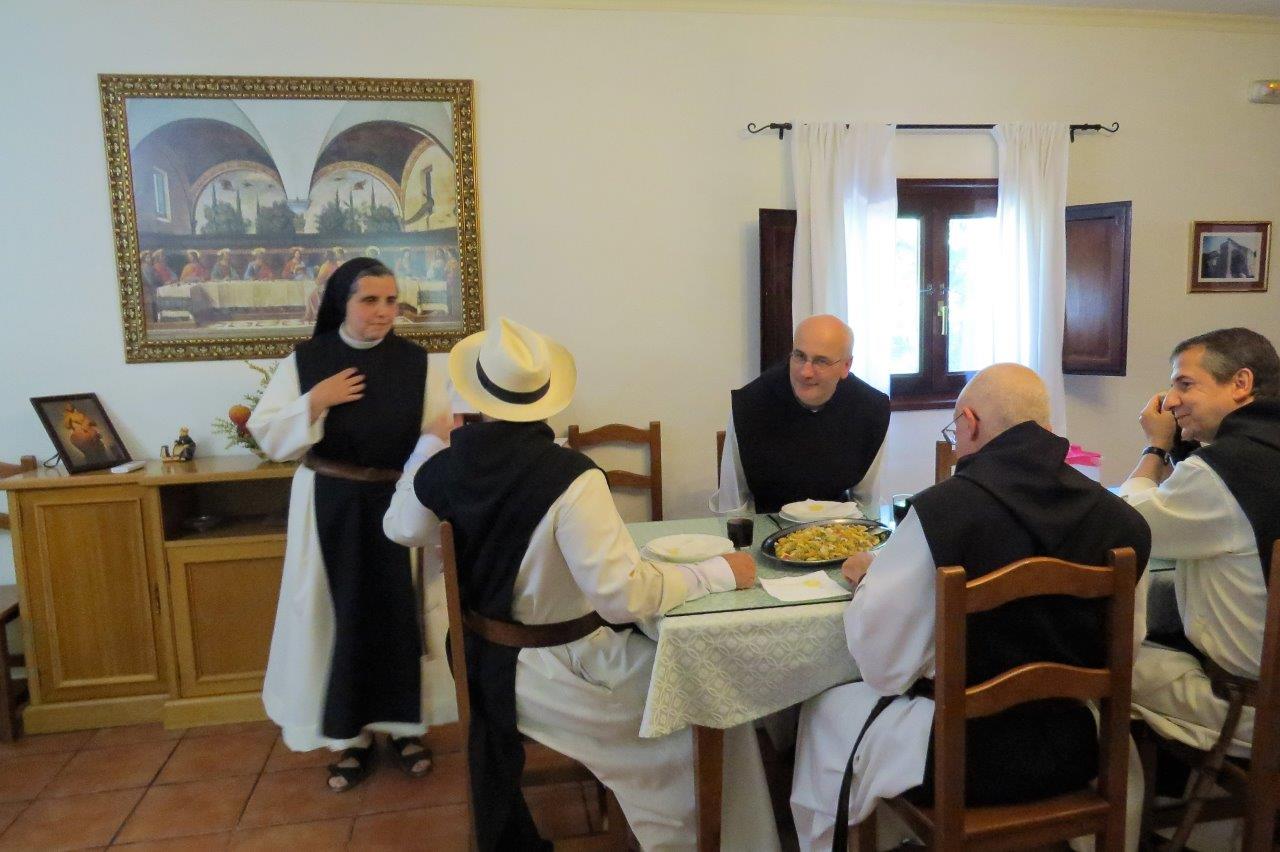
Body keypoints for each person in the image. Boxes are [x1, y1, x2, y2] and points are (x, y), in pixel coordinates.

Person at [383, 318, 779, 851]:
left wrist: (429, 444)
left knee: (698, 680)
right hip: (558, 670)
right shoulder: (572, 476)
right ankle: (719, 839)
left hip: (482, 662)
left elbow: (401, 527)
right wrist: (716, 572)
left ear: (479, 396)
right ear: (544, 397)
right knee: (715, 697)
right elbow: (622, 596)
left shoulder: (447, 468)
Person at [790, 363, 1151, 851]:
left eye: (955, 430)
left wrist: (870, 583)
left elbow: (883, 666)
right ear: (1045, 427)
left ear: (971, 422)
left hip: (959, 759)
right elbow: (1127, 650)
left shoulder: (943, 512)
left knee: (824, 711)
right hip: (1075, 748)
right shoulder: (1124, 524)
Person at [248, 257, 446, 792]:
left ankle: (405, 729)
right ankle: (349, 737)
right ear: (342, 302)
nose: (383, 311)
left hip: (397, 504)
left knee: (400, 615)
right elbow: (268, 435)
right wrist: (316, 400)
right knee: (336, 617)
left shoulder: (418, 363)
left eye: (391, 300)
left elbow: (437, 432)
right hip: (329, 504)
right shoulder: (308, 361)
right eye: (369, 300)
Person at [1122, 327, 1280, 760]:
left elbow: (1128, 526)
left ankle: (1119, 800)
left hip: (1253, 708)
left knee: (1097, 661)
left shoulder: (1224, 471)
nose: (1170, 401)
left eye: (1185, 384)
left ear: (1241, 383)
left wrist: (1155, 446)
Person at [712, 314, 890, 514]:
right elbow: (733, 504)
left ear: (846, 366)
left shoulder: (870, 409)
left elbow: (867, 503)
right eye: (799, 356)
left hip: (837, 527)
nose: (806, 372)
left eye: (821, 361)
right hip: (767, 524)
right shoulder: (750, 405)